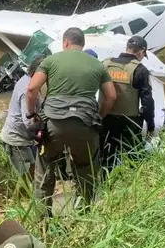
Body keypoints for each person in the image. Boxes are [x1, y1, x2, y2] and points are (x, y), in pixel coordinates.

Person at [25, 27, 116, 217]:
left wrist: (32, 115)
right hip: (85, 125)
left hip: (53, 124)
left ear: (65, 42)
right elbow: (111, 97)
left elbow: (32, 89)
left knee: (45, 168)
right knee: (86, 170)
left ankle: (42, 219)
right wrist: (99, 116)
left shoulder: (50, 61)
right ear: (83, 44)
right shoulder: (98, 65)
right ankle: (83, 216)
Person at [98, 35, 155, 174]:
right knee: (134, 163)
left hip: (105, 119)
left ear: (127, 48)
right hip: (129, 123)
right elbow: (147, 102)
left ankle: (103, 184)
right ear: (141, 52)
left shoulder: (105, 64)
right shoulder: (140, 70)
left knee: (105, 160)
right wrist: (150, 125)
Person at [0, 55, 46, 185]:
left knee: (33, 169)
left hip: (22, 137)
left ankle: (25, 194)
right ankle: (19, 197)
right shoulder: (27, 90)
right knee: (25, 178)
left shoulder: (27, 80)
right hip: (17, 140)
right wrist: (41, 134)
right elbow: (29, 122)